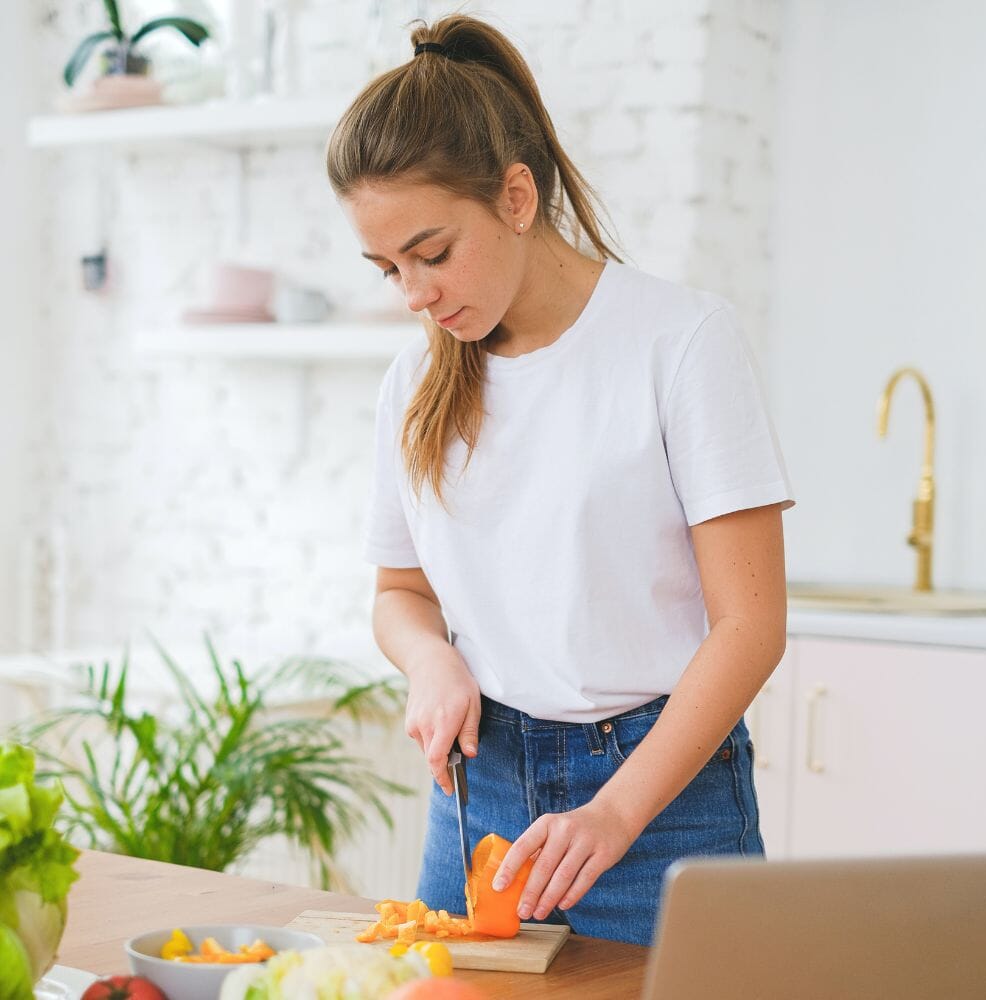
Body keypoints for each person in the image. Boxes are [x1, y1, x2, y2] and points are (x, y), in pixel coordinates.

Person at [326, 14, 795, 947]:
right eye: (388, 268)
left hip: (664, 806)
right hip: (480, 796)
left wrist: (616, 813)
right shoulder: (415, 382)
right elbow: (398, 595)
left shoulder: (679, 342)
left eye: (431, 252)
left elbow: (751, 628)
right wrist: (432, 661)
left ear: (514, 195)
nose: (413, 294)